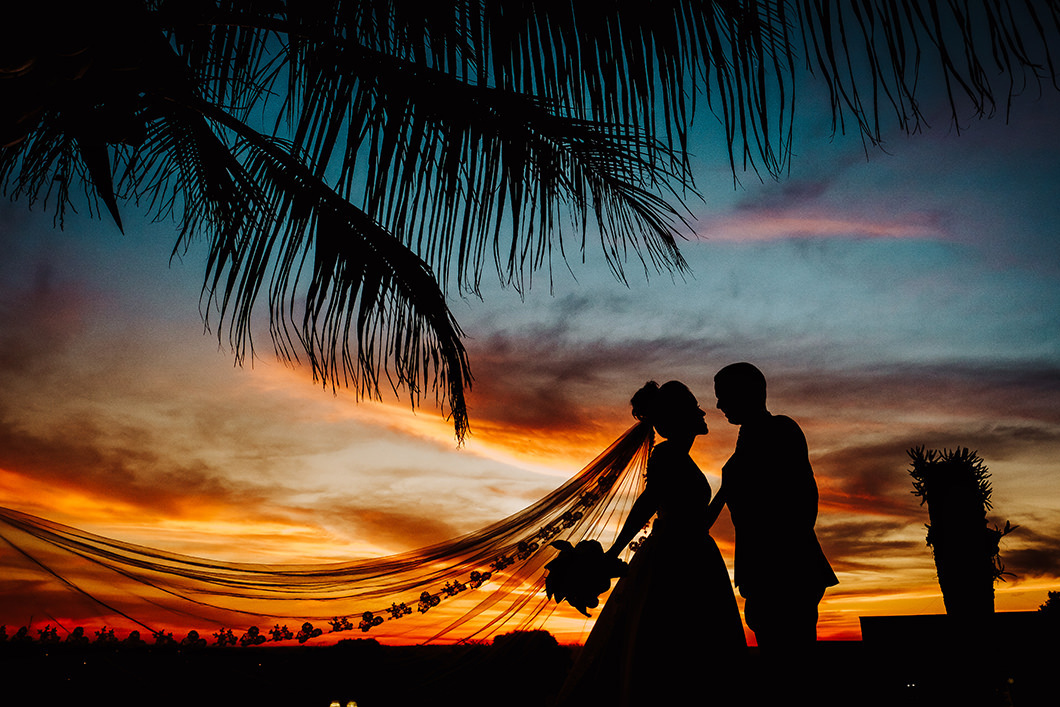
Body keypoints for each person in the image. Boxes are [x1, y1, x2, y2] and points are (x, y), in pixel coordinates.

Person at [554, 380, 746, 706]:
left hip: (693, 554)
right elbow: (647, 503)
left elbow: (697, 524)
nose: (702, 411)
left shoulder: (676, 456)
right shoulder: (668, 455)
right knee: (675, 645)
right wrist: (613, 552)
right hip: (677, 561)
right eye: (693, 405)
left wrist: (726, 490)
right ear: (679, 416)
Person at [711, 362, 837, 698]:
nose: (719, 405)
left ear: (745, 394)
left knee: (791, 673)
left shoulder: (781, 430)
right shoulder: (747, 440)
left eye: (723, 396)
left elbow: (803, 501)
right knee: (779, 670)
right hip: (765, 570)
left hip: (786, 570)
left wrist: (776, 555)